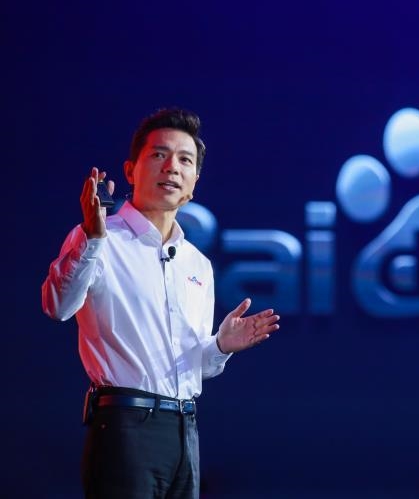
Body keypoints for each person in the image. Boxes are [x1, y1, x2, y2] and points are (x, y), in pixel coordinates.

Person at [41, 107, 280, 498]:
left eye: (185, 160)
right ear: (131, 170)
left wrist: (220, 346)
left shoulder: (197, 264)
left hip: (186, 430)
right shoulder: (100, 238)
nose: (172, 167)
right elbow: (57, 306)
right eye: (159, 155)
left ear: (194, 183)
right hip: (124, 428)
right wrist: (91, 237)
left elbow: (192, 367)